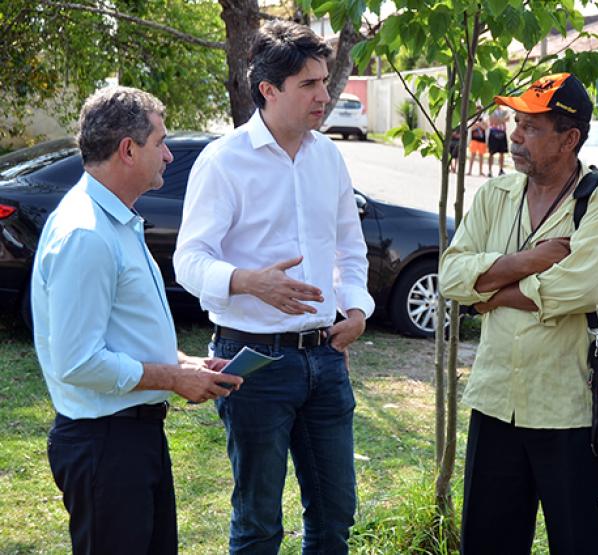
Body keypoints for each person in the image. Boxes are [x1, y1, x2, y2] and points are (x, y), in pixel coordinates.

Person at [173, 20, 374, 554]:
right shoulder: (224, 160)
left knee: (335, 517)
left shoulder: (328, 157)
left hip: (326, 359)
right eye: (309, 84)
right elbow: (188, 261)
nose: (324, 95)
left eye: (325, 81)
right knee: (259, 523)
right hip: (252, 361)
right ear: (268, 90)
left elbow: (350, 250)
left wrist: (355, 310)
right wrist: (246, 281)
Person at [31, 86, 243, 554]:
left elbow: (118, 331)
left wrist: (182, 364)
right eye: (160, 143)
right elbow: (78, 361)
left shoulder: (113, 220)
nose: (169, 155)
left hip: (131, 436)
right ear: (128, 150)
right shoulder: (85, 233)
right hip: (105, 446)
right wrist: (170, 377)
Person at [440, 73, 598, 554]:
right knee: (488, 542)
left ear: (569, 139)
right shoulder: (495, 194)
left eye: (531, 126)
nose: (514, 135)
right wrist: (528, 261)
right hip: (496, 397)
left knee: (581, 543)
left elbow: (582, 286)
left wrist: (492, 293)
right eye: (514, 122)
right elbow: (451, 277)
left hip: (568, 407)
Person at [487, 105, 509, 176]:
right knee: (491, 152)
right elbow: (493, 121)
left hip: (502, 132)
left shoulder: (504, 110)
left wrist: (499, 119)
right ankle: (490, 170)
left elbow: (508, 118)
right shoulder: (492, 110)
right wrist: (502, 119)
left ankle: (501, 170)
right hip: (493, 133)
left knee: (502, 153)